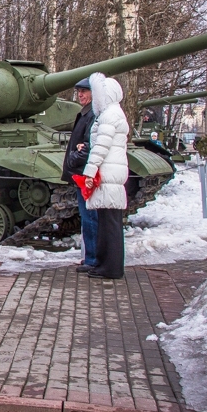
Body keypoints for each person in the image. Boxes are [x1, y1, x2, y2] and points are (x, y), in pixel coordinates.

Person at [82, 72, 129, 280]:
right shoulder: (115, 113)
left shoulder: (109, 116)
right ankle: (104, 265)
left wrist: (89, 171)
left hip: (108, 174)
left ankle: (109, 268)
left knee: (109, 225)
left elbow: (101, 147)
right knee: (108, 223)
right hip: (111, 173)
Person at [61, 77, 98, 271]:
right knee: (89, 216)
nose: (80, 95)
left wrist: (74, 158)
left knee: (90, 216)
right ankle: (91, 257)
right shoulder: (87, 113)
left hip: (84, 173)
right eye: (79, 91)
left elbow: (88, 146)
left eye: (85, 91)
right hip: (83, 173)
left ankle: (92, 259)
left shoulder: (91, 115)